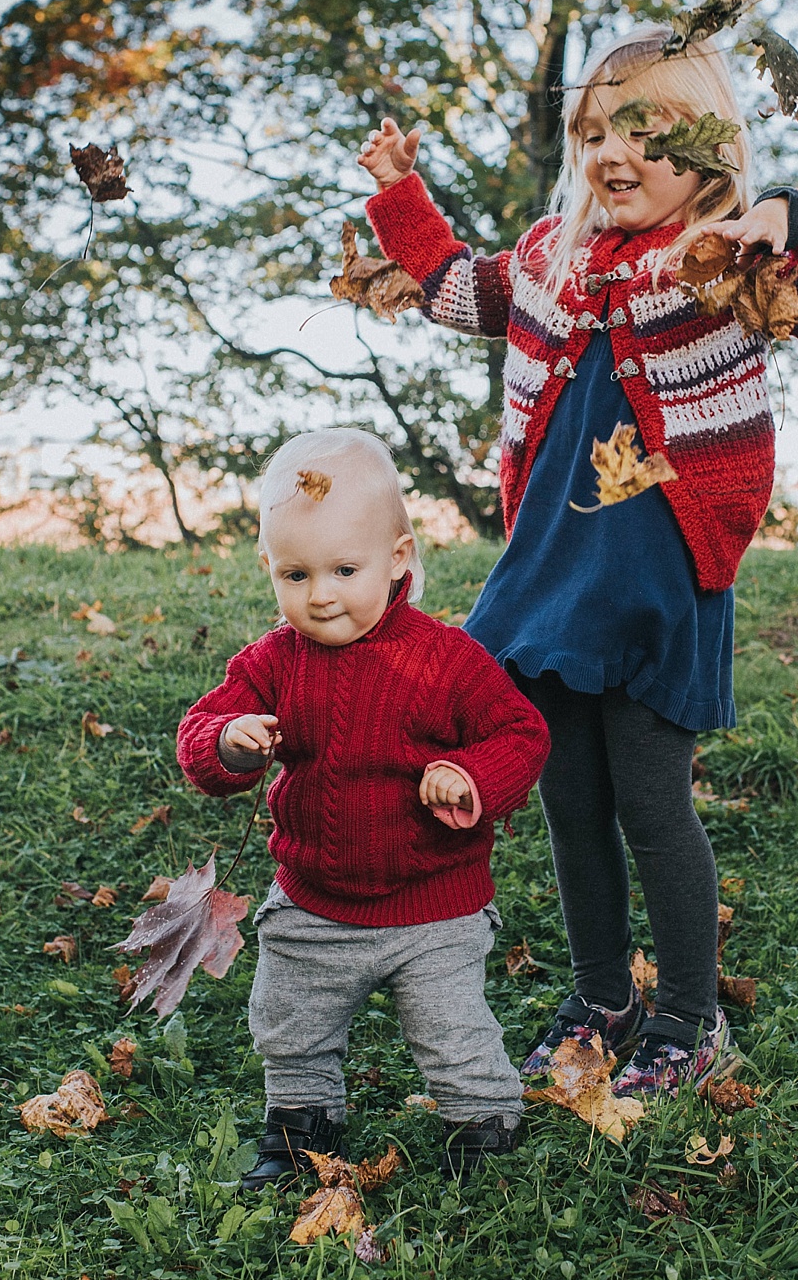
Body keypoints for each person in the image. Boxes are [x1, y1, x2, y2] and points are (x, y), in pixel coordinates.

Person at [357, 24, 798, 1096]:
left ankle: (689, 1019)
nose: (611, 152)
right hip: (551, 574)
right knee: (568, 802)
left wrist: (785, 209)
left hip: (657, 574)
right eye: (593, 130)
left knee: (652, 803)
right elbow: (459, 290)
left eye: (642, 130)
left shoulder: (723, 257)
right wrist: (400, 197)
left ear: (705, 143)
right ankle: (602, 996)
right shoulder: (555, 255)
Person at [176, 428, 551, 1186]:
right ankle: (301, 1125)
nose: (320, 593)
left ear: (398, 559)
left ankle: (481, 1120)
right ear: (268, 569)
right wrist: (232, 741)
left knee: (451, 1029)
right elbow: (197, 734)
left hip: (434, 908)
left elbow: (522, 730)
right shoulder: (273, 661)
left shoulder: (444, 658)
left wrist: (472, 775)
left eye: (345, 569)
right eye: (296, 573)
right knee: (290, 1024)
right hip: (316, 901)